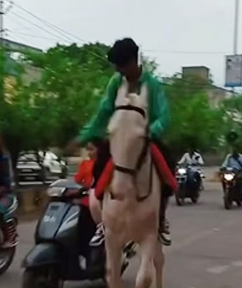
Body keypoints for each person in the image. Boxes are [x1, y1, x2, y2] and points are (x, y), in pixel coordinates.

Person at [68, 38, 174, 247]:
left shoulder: (152, 85)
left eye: (122, 65)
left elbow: (165, 116)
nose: (119, 70)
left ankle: (159, 218)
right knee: (99, 168)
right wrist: (84, 136)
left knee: (169, 168)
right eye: (117, 66)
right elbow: (103, 111)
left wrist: (150, 131)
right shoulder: (116, 82)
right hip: (119, 137)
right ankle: (104, 222)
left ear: (135, 60)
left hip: (146, 137)